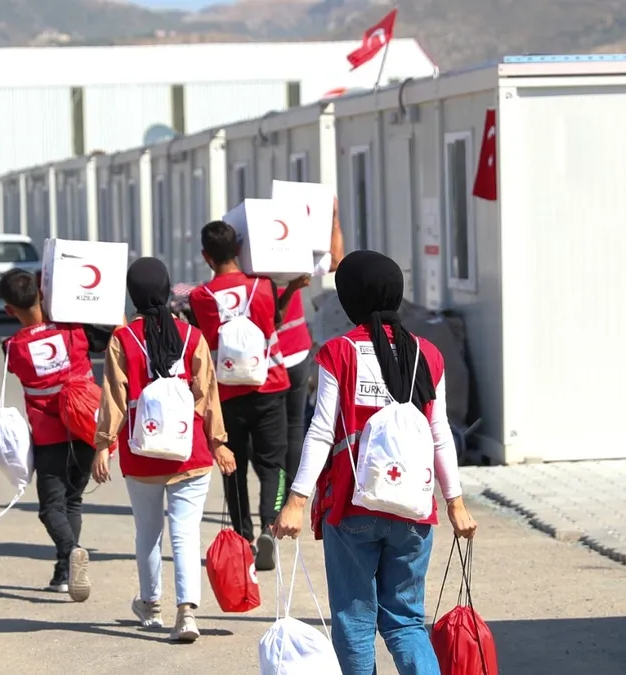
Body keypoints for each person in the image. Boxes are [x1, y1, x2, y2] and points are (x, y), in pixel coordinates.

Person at [271, 250, 478, 675]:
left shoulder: (339, 352)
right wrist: (455, 503)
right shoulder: (428, 355)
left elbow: (321, 431)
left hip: (353, 509)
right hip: (414, 511)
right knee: (405, 621)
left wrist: (296, 500)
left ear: (350, 299)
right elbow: (440, 436)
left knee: (355, 622)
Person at [91, 257, 236, 642]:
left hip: (141, 455)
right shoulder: (192, 336)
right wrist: (219, 443)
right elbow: (208, 395)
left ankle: (150, 604)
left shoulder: (123, 340)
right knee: (185, 533)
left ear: (132, 295)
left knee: (148, 532)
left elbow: (114, 399)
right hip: (191, 454)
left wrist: (103, 445)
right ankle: (186, 612)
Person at [0, 269, 115, 602]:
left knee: (51, 509)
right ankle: (63, 572)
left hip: (50, 438)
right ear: (42, 294)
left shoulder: (13, 348)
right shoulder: (74, 331)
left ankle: (70, 550)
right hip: (85, 427)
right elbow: (104, 338)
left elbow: (14, 366)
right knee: (73, 501)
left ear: (9, 310)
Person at [187, 221, 290, 572]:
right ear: (239, 250)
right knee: (272, 464)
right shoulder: (264, 286)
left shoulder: (201, 297)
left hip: (226, 392)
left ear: (206, 256)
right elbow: (274, 321)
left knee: (234, 467)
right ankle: (269, 526)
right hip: (269, 384)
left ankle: (243, 535)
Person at [273, 196, 346, 512]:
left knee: (277, 432)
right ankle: (286, 497)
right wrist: (333, 220)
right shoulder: (290, 258)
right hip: (295, 353)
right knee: (292, 429)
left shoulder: (253, 265)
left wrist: (332, 218)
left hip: (272, 359)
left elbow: (334, 262)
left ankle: (277, 500)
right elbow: (335, 261)